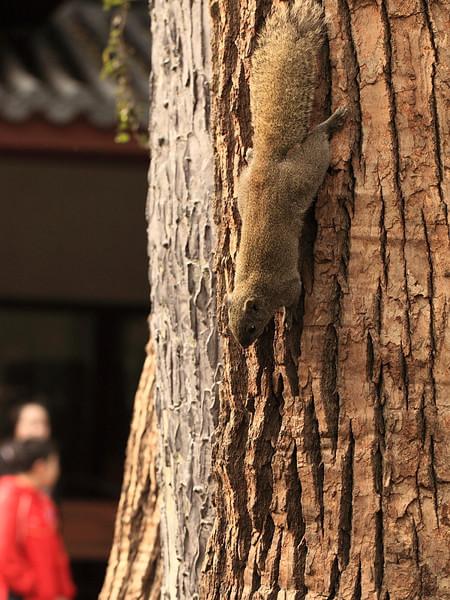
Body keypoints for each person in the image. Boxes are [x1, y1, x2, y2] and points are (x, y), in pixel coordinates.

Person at [0, 438, 76, 600]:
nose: (58, 471)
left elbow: (56, 553)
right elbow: (4, 554)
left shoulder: (43, 502)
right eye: (55, 465)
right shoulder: (9, 497)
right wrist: (33, 586)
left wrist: (63, 591)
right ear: (40, 467)